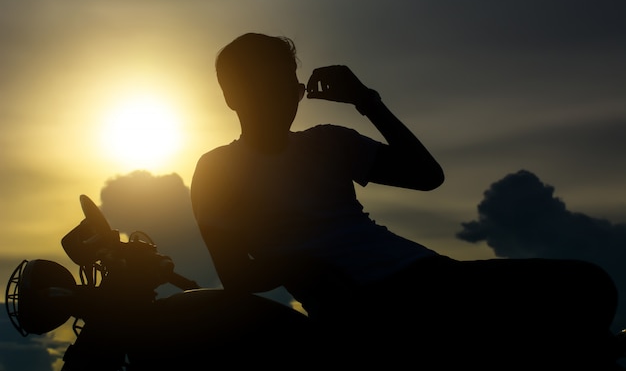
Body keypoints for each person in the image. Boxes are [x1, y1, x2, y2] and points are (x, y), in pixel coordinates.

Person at [190, 32, 624, 368]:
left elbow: (426, 176)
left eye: (291, 86)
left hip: (429, 275)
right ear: (234, 96)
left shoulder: (328, 142)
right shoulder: (217, 171)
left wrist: (366, 101)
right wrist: (298, 266)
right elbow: (235, 276)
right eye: (269, 85)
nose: (286, 97)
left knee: (589, 285)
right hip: (361, 307)